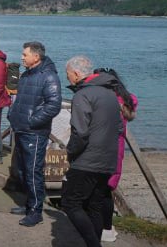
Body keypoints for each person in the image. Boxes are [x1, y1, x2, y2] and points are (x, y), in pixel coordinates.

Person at [62, 56, 123, 247]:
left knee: (71, 203)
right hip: (107, 159)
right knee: (95, 206)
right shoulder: (111, 94)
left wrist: (70, 153)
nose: (68, 79)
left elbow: (80, 131)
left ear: (77, 73)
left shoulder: (83, 95)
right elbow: (119, 128)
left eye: (68, 75)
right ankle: (93, 242)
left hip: (87, 160)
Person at [7, 41, 62, 227]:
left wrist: (32, 121)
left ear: (36, 57)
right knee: (23, 170)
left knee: (32, 172)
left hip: (35, 132)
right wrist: (12, 115)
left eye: (25, 54)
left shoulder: (49, 77)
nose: (22, 57)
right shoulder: (27, 74)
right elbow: (19, 99)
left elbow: (53, 105)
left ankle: (36, 212)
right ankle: (29, 205)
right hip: (21, 129)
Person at [98, 68, 137, 242]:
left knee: (101, 190)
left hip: (102, 149)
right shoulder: (125, 101)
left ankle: (104, 227)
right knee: (107, 189)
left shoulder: (105, 100)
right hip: (117, 149)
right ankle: (106, 227)